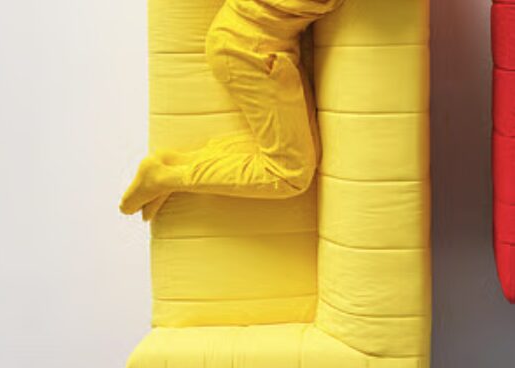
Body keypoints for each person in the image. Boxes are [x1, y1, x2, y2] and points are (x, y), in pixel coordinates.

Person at [120, 0, 346, 221]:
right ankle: (168, 177)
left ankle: (178, 165)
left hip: (258, 44)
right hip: (250, 50)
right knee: (290, 176)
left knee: (306, 156)